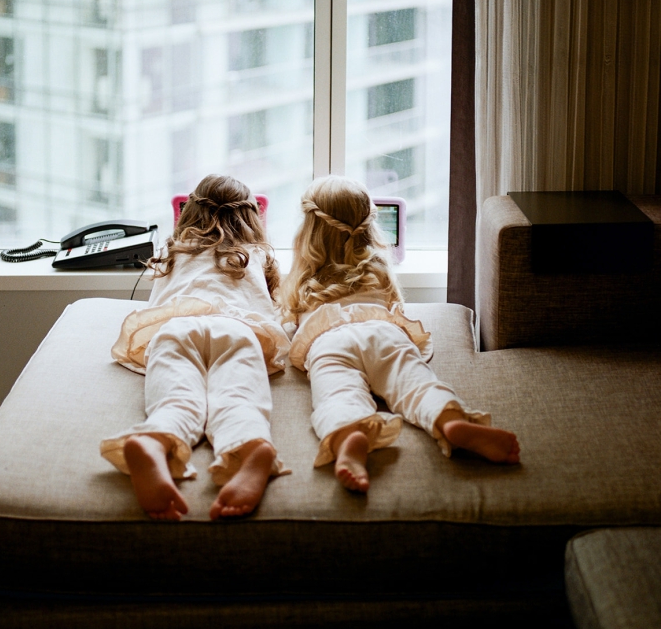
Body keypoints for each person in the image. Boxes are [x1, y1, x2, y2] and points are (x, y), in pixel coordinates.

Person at [283, 176, 520, 493]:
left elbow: (290, 321)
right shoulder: (377, 266)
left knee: (336, 395)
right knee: (416, 384)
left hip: (329, 340)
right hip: (383, 333)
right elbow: (396, 305)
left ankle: (348, 434)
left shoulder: (305, 275)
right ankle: (449, 420)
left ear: (310, 232)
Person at [104, 174, 292, 521]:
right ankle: (252, 447)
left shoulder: (172, 251)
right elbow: (276, 306)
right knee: (237, 399)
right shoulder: (257, 254)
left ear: (188, 213)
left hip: (175, 329)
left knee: (177, 398)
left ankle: (155, 439)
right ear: (253, 218)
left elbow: (158, 302)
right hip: (237, 331)